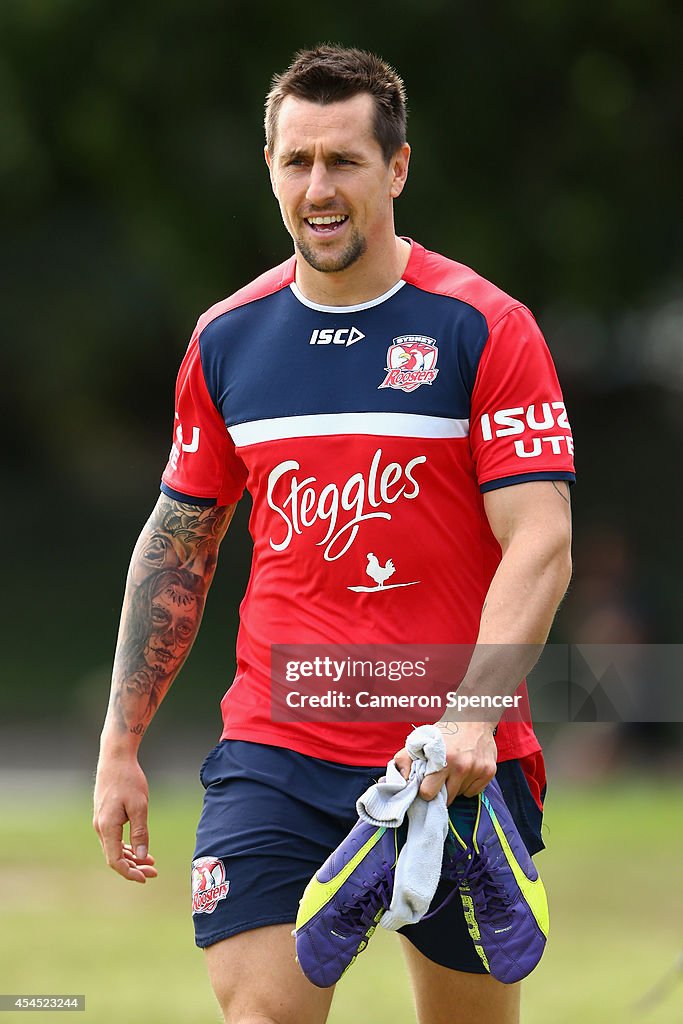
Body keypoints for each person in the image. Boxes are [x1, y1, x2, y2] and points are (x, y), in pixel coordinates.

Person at [93, 44, 574, 1024]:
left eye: (343, 160)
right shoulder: (227, 339)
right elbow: (179, 543)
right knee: (259, 1013)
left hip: (452, 751)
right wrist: (119, 742)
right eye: (295, 160)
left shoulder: (483, 328)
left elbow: (541, 539)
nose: (317, 186)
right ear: (269, 166)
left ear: (394, 168)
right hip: (279, 745)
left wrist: (476, 709)